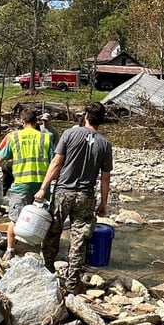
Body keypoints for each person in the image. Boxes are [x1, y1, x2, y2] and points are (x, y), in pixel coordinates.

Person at [35, 102, 112, 292]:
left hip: (63, 192)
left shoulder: (70, 134)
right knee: (79, 239)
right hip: (85, 196)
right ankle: (72, 281)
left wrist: (43, 188)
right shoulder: (105, 144)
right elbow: (105, 178)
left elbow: (56, 162)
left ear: (86, 115)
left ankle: (47, 271)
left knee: (53, 232)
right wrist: (104, 202)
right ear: (101, 120)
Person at [0, 108, 54, 259]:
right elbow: (54, 162)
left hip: (21, 184)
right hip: (41, 185)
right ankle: (43, 250)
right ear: (36, 121)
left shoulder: (14, 137)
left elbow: (0, 158)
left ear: (22, 121)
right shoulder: (46, 138)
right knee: (44, 217)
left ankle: (10, 249)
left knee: (15, 218)